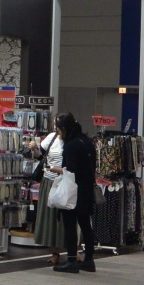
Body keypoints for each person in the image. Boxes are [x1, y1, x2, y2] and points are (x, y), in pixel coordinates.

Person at [47, 112, 96, 273]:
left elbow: (70, 171)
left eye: (58, 128)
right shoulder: (87, 142)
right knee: (85, 224)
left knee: (69, 226)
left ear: (65, 129)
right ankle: (89, 260)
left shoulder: (70, 146)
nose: (57, 131)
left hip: (72, 191)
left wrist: (55, 169)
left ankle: (71, 260)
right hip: (87, 189)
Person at [29, 126, 67, 266]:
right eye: (55, 124)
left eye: (58, 124)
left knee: (65, 218)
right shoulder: (51, 137)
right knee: (50, 217)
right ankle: (55, 252)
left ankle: (72, 251)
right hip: (48, 180)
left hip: (65, 182)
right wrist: (34, 149)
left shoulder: (71, 140)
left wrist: (60, 171)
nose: (55, 127)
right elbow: (41, 157)